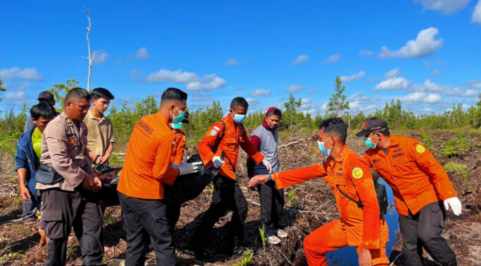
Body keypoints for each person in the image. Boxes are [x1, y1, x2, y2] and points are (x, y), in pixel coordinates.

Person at [249, 118, 389, 266]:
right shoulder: (331, 162)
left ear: (332, 140)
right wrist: (268, 177)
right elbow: (305, 172)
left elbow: (371, 205)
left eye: (321, 139)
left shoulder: (354, 163)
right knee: (312, 245)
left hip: (368, 227)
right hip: (347, 224)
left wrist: (368, 245)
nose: (319, 143)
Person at [356, 118, 461, 266]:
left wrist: (449, 194)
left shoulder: (409, 145)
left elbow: (435, 169)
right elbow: (356, 167)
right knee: (409, 246)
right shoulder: (371, 155)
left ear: (377, 135)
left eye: (367, 136)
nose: (365, 140)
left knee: (428, 236)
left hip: (427, 198)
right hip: (404, 205)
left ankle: (450, 263)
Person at [117, 88, 202, 266]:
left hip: (125, 190)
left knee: (135, 242)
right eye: (183, 108)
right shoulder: (165, 134)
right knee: (163, 245)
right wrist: (181, 170)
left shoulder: (143, 121)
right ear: (173, 107)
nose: (184, 112)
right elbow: (160, 173)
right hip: (147, 196)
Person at [193, 97, 272, 258]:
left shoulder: (239, 127)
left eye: (244, 114)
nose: (241, 116)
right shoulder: (220, 126)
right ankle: (229, 246)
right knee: (240, 207)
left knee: (219, 208)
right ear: (231, 110)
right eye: (239, 113)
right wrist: (212, 158)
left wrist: (261, 158)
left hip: (229, 174)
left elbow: (247, 145)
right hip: (221, 173)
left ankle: (202, 243)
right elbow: (203, 144)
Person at [36, 88, 105, 266]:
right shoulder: (56, 126)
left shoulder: (81, 126)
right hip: (58, 188)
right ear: (68, 105)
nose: (85, 112)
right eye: (82, 107)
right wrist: (86, 178)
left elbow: (82, 156)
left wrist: (92, 174)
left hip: (81, 185)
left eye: (86, 108)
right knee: (58, 238)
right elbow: (60, 161)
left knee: (92, 228)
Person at [15, 102, 57, 246]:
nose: (49, 125)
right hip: (36, 182)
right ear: (34, 121)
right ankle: (44, 234)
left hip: (57, 182)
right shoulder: (26, 139)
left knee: (52, 212)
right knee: (40, 209)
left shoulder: (60, 134)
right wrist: (22, 185)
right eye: (44, 122)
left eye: (51, 121)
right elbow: (21, 162)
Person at [247, 107, 287, 245]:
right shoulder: (257, 134)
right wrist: (251, 176)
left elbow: (273, 151)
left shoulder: (274, 130)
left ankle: (277, 227)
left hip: (276, 173)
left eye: (277, 121)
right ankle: (268, 231)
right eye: (272, 120)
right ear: (266, 117)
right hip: (262, 174)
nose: (275, 123)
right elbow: (250, 154)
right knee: (267, 204)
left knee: (279, 201)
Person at [84, 87, 115, 166]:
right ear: (93, 101)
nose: (106, 106)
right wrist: (94, 157)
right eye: (103, 102)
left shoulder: (108, 122)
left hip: (103, 165)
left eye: (108, 103)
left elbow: (111, 142)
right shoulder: (83, 119)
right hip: (86, 165)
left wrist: (106, 156)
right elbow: (78, 143)